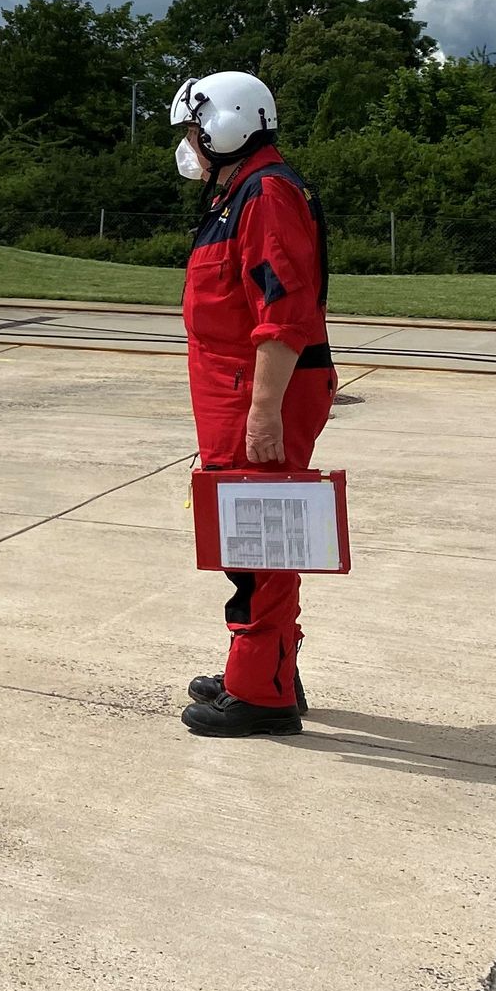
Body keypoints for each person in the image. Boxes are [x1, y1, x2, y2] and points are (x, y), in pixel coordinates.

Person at [170, 70, 336, 738]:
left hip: (258, 397)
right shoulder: (239, 192)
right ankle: (268, 664)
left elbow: (284, 313)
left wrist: (264, 411)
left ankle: (260, 693)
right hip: (237, 396)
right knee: (254, 535)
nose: (188, 144)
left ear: (226, 123)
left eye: (193, 130)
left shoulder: (265, 194)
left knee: (260, 542)